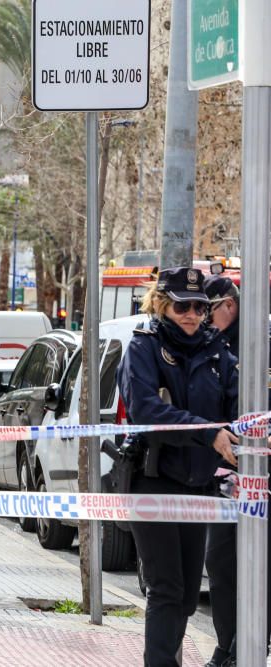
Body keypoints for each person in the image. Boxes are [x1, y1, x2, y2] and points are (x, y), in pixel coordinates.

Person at [118, 267, 239, 667]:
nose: (191, 315)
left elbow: (237, 408)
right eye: (182, 306)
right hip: (152, 481)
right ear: (162, 304)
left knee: (187, 595)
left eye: (199, 307)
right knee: (167, 589)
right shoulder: (144, 346)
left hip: (199, 486)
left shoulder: (217, 351)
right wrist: (209, 434)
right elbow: (146, 410)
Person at [202, 274, 271, 667]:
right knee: (221, 563)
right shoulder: (211, 346)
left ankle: (253, 647)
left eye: (206, 310)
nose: (201, 318)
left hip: (264, 473)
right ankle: (228, 644)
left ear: (229, 304)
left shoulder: (262, 340)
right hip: (227, 475)